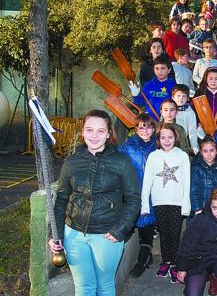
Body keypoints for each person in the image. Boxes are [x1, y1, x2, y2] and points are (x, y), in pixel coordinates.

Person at [50, 110, 140, 295]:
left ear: (108, 134)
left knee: (105, 286)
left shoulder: (121, 161)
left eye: (100, 131)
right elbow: (61, 200)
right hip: (74, 234)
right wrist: (55, 234)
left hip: (107, 234)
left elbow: (133, 200)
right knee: (83, 287)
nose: (94, 136)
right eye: (89, 130)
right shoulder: (72, 162)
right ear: (82, 132)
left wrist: (120, 230)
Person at [140, 122, 191, 282]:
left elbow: (186, 181)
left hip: (176, 202)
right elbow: (147, 181)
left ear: (175, 138)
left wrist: (186, 204)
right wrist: (144, 204)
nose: (167, 140)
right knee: (164, 233)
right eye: (163, 137)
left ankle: (175, 263)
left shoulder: (182, 156)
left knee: (175, 234)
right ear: (158, 139)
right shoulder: (154, 156)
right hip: (159, 201)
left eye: (170, 137)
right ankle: (166, 261)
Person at [176, 188, 217, 296]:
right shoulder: (200, 219)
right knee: (192, 294)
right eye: (214, 207)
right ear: (210, 206)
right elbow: (186, 244)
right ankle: (201, 278)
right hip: (198, 262)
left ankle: (214, 278)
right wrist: (182, 268)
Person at [119, 114, 158, 278]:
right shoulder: (128, 146)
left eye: (148, 127)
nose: (145, 130)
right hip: (133, 191)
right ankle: (144, 256)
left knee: (147, 227)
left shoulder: (158, 144)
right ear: (135, 129)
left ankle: (142, 260)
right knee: (132, 224)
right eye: (141, 127)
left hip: (153, 192)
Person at [130, 55, 177, 121]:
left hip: (167, 122)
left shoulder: (173, 86)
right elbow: (138, 103)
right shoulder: (148, 85)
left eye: (163, 68)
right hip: (150, 123)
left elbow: (177, 105)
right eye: (157, 68)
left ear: (169, 70)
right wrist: (135, 95)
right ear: (153, 70)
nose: (160, 71)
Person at [172, 85, 199, 154]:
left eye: (184, 96)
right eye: (178, 96)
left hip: (183, 141)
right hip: (169, 141)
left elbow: (192, 132)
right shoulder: (169, 109)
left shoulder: (190, 112)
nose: (181, 98)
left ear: (187, 98)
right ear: (173, 97)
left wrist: (194, 147)